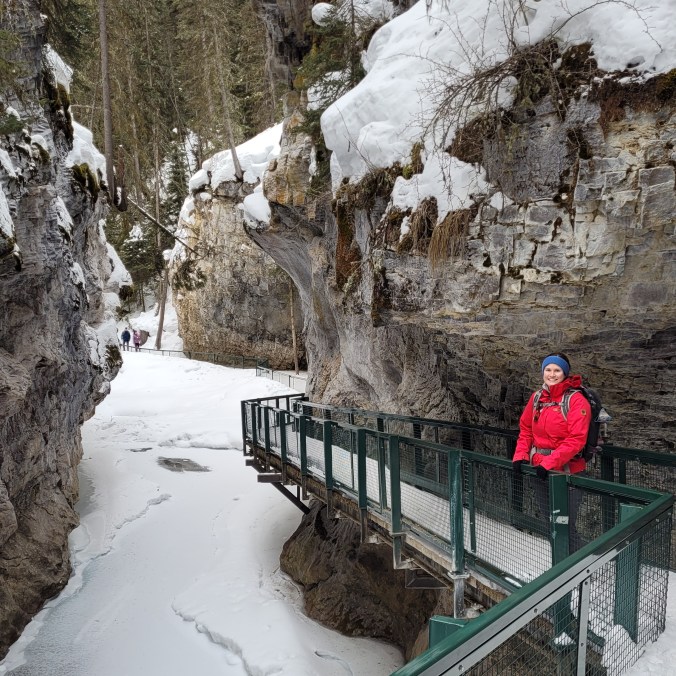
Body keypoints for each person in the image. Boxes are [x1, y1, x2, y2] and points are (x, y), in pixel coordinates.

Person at [512, 352, 590, 550]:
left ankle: (579, 571)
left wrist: (548, 463)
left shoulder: (576, 400)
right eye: (548, 369)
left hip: (568, 472)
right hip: (540, 471)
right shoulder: (538, 398)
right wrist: (520, 455)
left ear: (565, 373)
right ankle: (561, 569)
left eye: (557, 370)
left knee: (564, 524)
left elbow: (576, 440)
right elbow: (526, 428)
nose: (552, 374)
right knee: (551, 524)